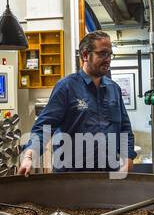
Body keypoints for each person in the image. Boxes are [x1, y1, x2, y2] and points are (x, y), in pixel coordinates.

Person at [19, 31, 134, 176]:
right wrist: (29, 156)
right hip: (72, 177)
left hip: (109, 175)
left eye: (110, 54)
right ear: (85, 55)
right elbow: (45, 127)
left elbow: (125, 129)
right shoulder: (66, 87)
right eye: (103, 54)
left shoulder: (114, 89)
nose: (108, 59)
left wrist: (128, 158)